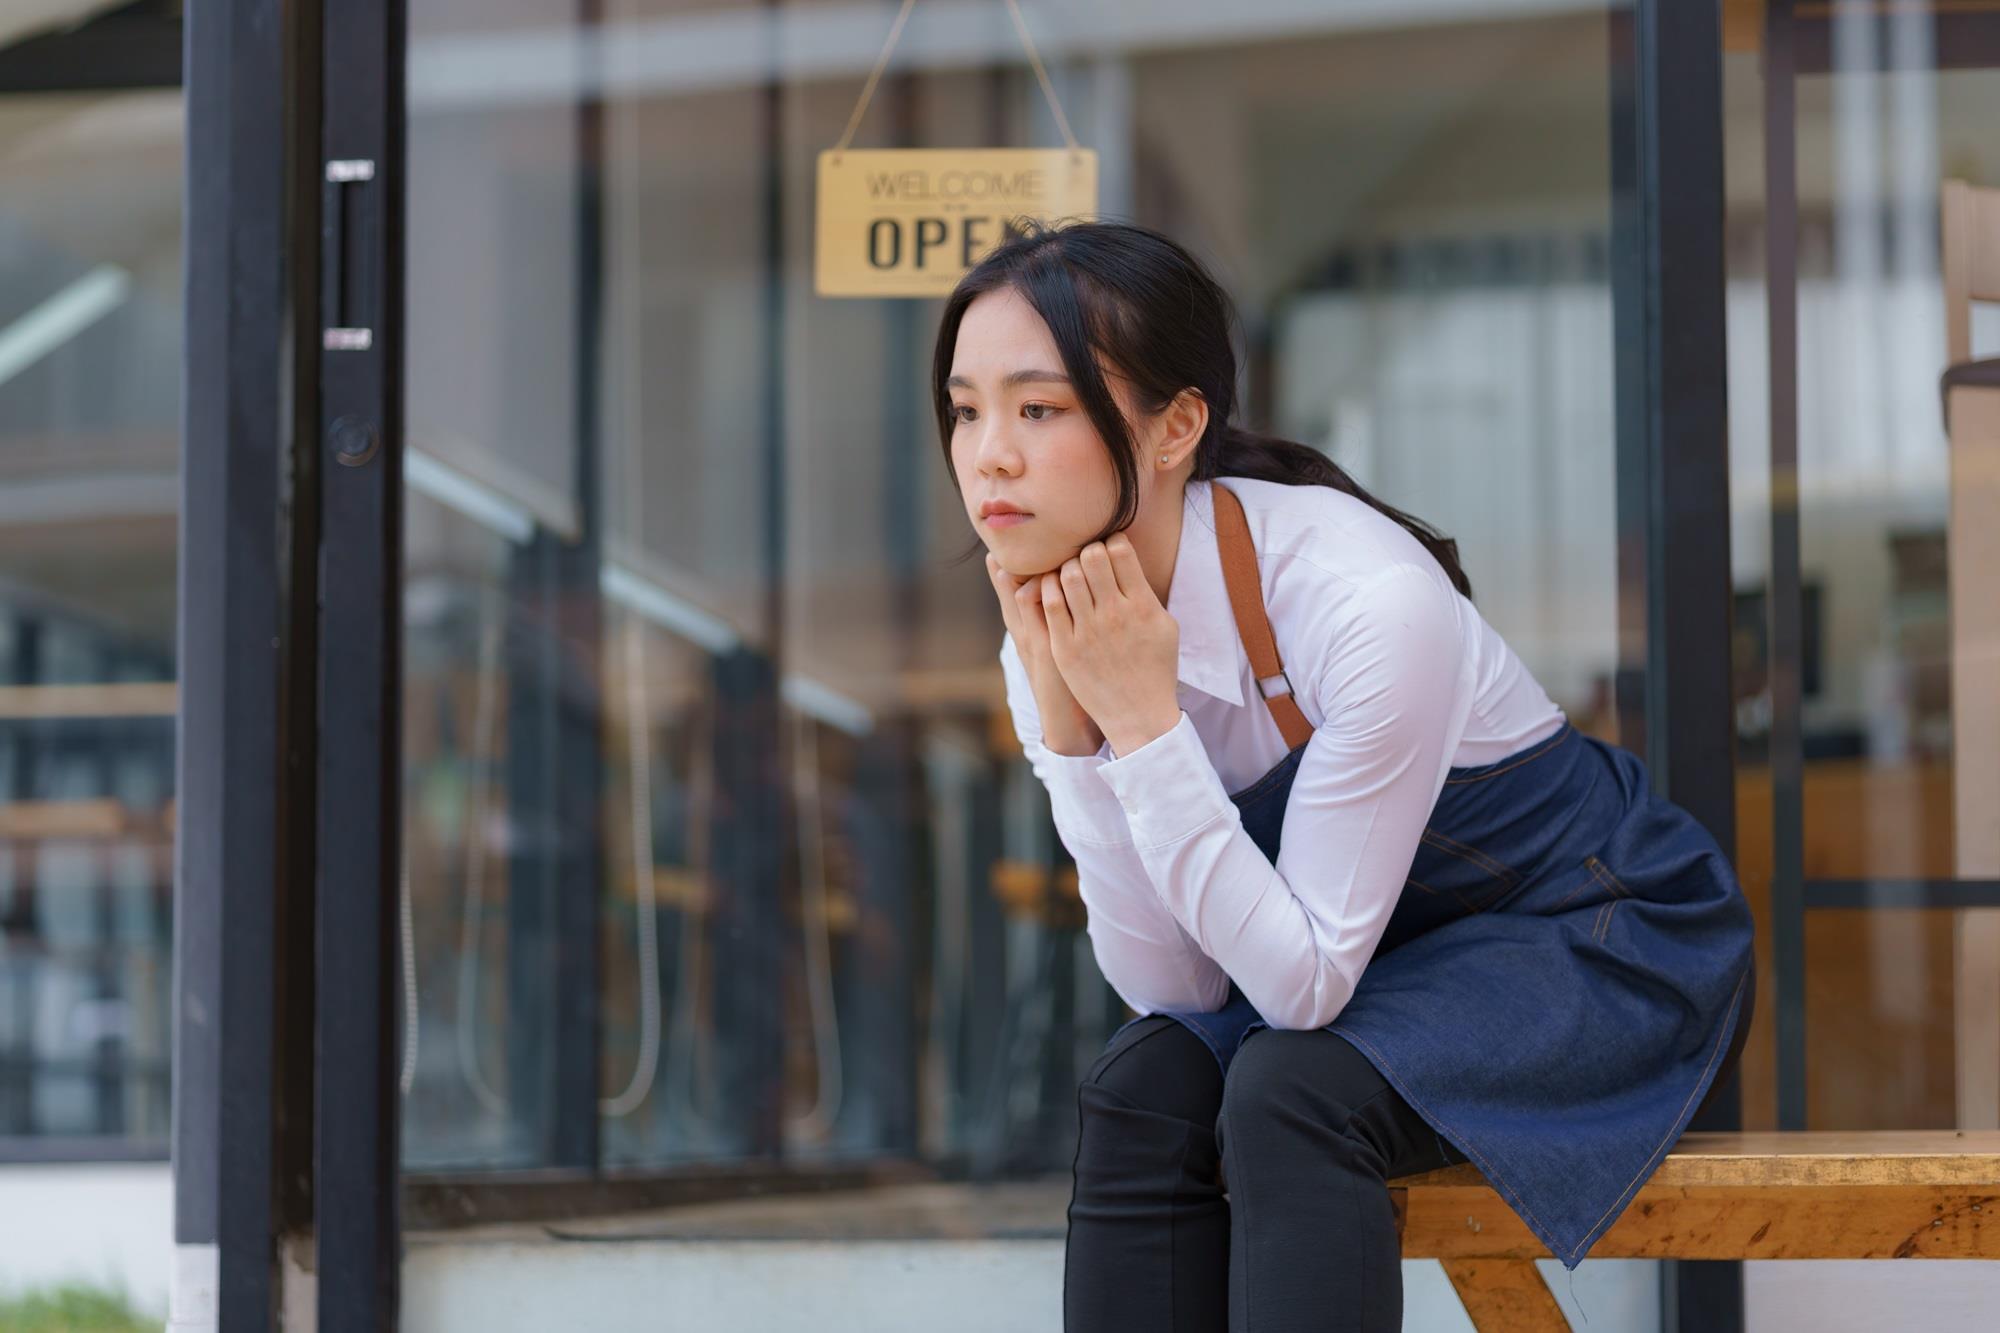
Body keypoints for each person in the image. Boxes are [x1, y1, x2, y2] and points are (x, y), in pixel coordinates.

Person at [934, 218, 1756, 1333]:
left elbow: (1300, 992)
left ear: (1176, 424)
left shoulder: (1362, 595)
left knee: (1290, 1090)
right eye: (965, 407)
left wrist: (1139, 722)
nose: (987, 452)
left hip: (1590, 934)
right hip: (1366, 972)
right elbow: (1174, 988)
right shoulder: (1051, 633)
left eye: (1038, 408)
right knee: (1141, 1086)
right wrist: (1082, 736)